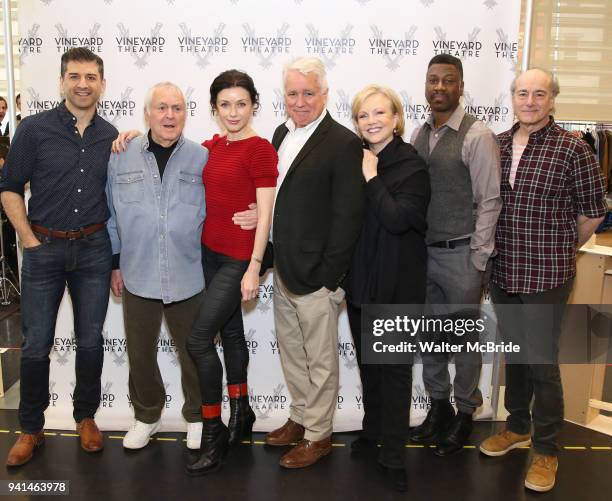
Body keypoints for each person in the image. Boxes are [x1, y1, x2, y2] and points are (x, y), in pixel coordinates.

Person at [479, 68, 607, 493]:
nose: (530, 100)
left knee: (542, 361)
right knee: (514, 353)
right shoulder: (495, 145)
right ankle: (518, 427)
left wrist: (562, 249)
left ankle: (548, 448)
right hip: (504, 270)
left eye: (539, 93)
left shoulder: (573, 148)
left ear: (552, 99)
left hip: (547, 274)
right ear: (512, 98)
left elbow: (593, 211)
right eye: (522, 93)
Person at [0, 47, 118, 466]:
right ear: (62, 81)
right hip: (43, 248)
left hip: (93, 250)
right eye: (74, 76)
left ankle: (85, 417)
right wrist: (28, 240)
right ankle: (31, 427)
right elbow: (10, 186)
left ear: (102, 83)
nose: (82, 84)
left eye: (90, 77)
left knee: (90, 342)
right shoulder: (33, 130)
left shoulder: (111, 136)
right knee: (34, 346)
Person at [263, 57, 364, 469]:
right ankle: (301, 417)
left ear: (325, 94)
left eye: (308, 92)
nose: (300, 101)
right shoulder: (280, 133)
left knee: (321, 360)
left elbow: (348, 215)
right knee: (292, 352)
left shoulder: (342, 142)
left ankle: (319, 434)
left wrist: (330, 277)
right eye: (292, 93)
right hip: (284, 269)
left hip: (317, 277)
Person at [106, 82, 209, 451]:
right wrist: (115, 264)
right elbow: (110, 214)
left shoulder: (202, 156)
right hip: (137, 272)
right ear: (147, 113)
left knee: (194, 352)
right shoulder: (120, 154)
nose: (169, 115)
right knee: (139, 352)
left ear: (185, 113)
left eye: (177, 108)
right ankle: (147, 416)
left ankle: (197, 417)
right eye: (161, 108)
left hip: (189, 274)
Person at [185, 70, 278, 476]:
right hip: (209, 254)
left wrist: (255, 265)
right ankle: (242, 412)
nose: (234, 111)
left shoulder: (259, 149)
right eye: (225, 104)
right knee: (233, 333)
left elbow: (267, 212)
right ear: (213, 109)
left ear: (253, 104)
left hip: (240, 257)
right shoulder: (212, 146)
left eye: (241, 103)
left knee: (199, 340)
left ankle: (212, 430)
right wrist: (133, 137)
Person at [409, 54, 502, 456]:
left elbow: (490, 200)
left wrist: (478, 260)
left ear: (461, 87)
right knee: (430, 338)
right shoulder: (419, 133)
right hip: (424, 254)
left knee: (463, 341)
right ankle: (438, 408)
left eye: (449, 81)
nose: (440, 88)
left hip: (462, 254)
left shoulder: (476, 134)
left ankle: (465, 412)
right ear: (426, 86)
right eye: (433, 81)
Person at [345, 85, 430, 492]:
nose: (372, 121)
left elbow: (398, 220)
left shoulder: (412, 165)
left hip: (397, 286)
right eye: (364, 115)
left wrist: (372, 178)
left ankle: (394, 455)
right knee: (368, 368)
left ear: (396, 118)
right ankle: (370, 431)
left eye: (380, 113)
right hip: (361, 281)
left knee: (394, 374)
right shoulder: (354, 158)